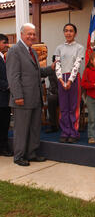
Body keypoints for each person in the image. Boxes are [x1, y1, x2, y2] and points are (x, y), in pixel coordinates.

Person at [6, 23, 55, 166]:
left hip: (35, 97)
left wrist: (51, 68)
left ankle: (31, 153)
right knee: (21, 129)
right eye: (29, 34)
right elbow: (13, 76)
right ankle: (19, 156)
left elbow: (37, 72)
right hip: (22, 98)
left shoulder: (32, 52)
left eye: (34, 34)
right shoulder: (14, 50)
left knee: (34, 127)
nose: (32, 37)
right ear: (21, 34)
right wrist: (18, 96)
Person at [55, 23, 84, 144]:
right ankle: (65, 132)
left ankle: (73, 132)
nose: (68, 33)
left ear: (75, 33)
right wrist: (61, 80)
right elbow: (57, 64)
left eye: (71, 31)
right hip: (62, 78)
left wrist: (70, 80)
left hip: (74, 78)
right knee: (63, 107)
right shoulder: (59, 48)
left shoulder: (79, 48)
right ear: (63, 32)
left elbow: (77, 65)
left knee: (73, 107)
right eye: (66, 30)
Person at [0, 34, 12, 157]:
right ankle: (3, 148)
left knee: (5, 124)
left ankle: (3, 147)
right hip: (1, 97)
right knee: (2, 125)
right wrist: (8, 85)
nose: (7, 45)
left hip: (5, 99)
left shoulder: (4, 58)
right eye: (4, 42)